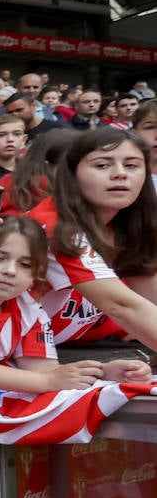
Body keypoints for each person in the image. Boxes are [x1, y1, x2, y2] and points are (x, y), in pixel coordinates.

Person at [0, 217, 153, 444]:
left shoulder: (27, 305)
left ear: (36, 275)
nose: (10, 271)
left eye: (25, 265)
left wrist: (102, 374)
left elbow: (42, 368)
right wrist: (47, 382)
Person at [28, 127, 157, 350]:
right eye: (102, 165)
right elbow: (122, 306)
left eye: (131, 165)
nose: (120, 173)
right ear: (72, 173)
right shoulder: (53, 226)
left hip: (58, 348)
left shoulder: (129, 223)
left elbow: (150, 293)